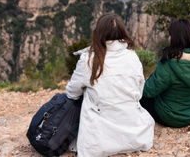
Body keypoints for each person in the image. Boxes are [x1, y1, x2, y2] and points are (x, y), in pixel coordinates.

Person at [66, 12, 154, 157]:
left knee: (83, 95)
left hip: (98, 140)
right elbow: (140, 91)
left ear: (98, 33)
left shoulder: (88, 59)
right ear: (122, 33)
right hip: (136, 134)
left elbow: (72, 93)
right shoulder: (132, 57)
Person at [140, 18, 190, 128]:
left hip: (171, 117)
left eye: (170, 35)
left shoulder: (171, 64)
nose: (169, 38)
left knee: (141, 97)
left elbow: (148, 91)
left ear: (177, 38)